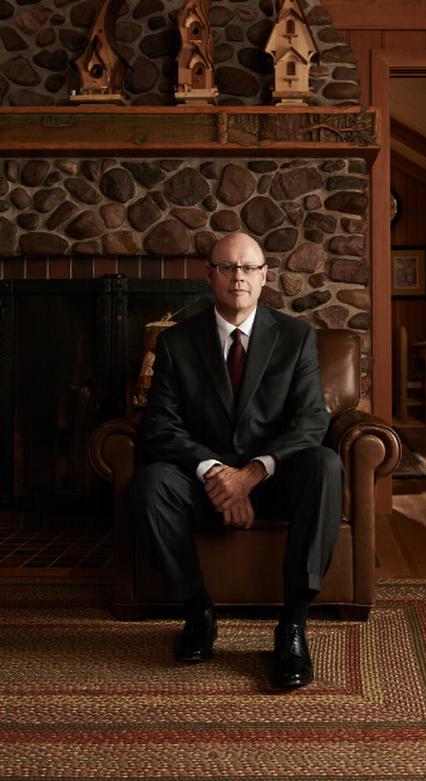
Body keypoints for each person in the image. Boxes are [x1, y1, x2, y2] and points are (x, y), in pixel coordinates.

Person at [130, 231, 342, 689]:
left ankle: (292, 626)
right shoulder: (176, 343)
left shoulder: (296, 337)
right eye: (227, 267)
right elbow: (160, 428)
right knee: (151, 484)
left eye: (248, 268)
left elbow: (310, 422)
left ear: (265, 276)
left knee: (325, 464)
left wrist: (251, 474)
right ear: (210, 275)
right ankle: (198, 611)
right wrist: (216, 473)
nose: (238, 277)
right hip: (204, 483)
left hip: (275, 479)